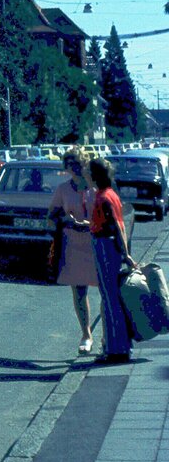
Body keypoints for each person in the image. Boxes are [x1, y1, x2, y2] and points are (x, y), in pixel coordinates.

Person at [65, 157, 138, 364]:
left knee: (110, 299)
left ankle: (116, 349)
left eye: (88, 172)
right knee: (110, 298)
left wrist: (126, 255)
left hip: (106, 248)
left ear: (95, 175)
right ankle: (115, 346)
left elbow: (116, 226)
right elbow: (107, 222)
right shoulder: (108, 195)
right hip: (104, 244)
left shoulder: (104, 198)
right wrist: (85, 224)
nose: (85, 174)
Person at [47, 148, 98, 354]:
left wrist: (90, 223)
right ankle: (86, 335)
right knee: (79, 292)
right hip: (74, 246)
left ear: (85, 164)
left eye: (78, 163)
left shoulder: (96, 188)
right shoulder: (62, 190)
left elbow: (112, 215)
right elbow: (51, 218)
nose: (74, 168)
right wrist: (65, 220)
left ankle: (110, 337)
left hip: (97, 244)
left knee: (108, 291)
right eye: (69, 164)